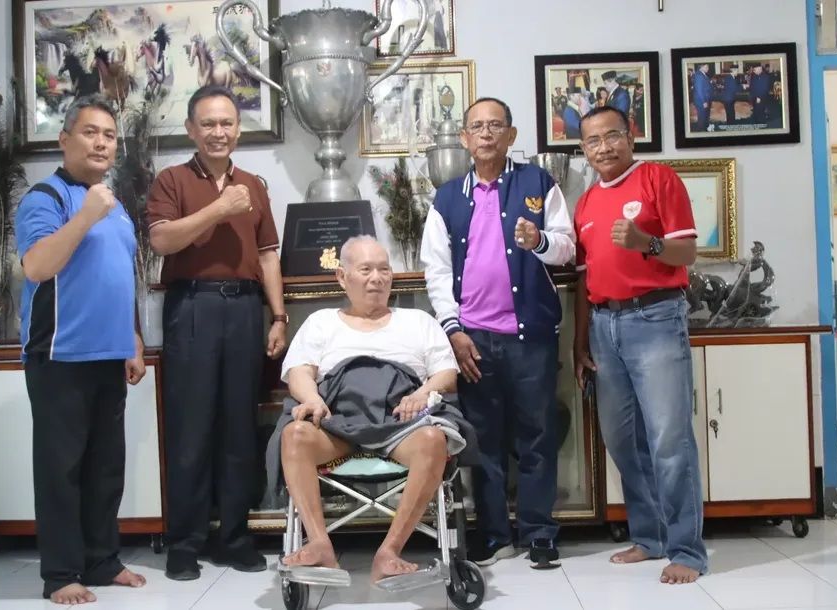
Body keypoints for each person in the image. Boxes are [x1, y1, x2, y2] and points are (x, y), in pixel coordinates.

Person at [420, 97, 576, 569]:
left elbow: (567, 247)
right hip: (473, 341)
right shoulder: (447, 197)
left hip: (531, 337)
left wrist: (539, 241)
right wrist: (453, 330)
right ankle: (493, 536)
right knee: (483, 441)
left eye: (495, 126)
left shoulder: (538, 183)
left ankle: (538, 532)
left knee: (537, 435)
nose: (486, 134)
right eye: (477, 127)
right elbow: (436, 270)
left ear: (511, 135)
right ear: (464, 138)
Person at [271, 236, 478, 583]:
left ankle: (389, 552)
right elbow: (299, 373)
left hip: (401, 425)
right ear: (342, 277)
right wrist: (313, 399)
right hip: (337, 425)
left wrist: (422, 393)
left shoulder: (418, 321)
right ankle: (319, 545)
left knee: (433, 439)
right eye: (365, 269)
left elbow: (446, 375)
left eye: (384, 270)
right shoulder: (321, 322)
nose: (377, 278)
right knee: (294, 435)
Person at [145, 85, 288, 580]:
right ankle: (185, 543)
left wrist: (278, 316)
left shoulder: (254, 185)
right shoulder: (172, 180)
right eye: (208, 123)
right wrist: (219, 209)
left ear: (238, 129)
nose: (218, 132)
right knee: (191, 427)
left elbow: (268, 255)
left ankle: (233, 537)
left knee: (238, 426)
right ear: (191, 129)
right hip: (193, 307)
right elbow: (162, 240)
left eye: (226, 123)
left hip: (245, 308)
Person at [14, 95, 147, 604]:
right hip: (59, 355)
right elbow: (37, 266)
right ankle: (61, 573)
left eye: (109, 135)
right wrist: (86, 215)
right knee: (61, 470)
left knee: (105, 469)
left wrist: (132, 338)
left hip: (108, 355)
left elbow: (120, 277)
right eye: (90, 132)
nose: (101, 143)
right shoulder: (45, 198)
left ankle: (102, 561)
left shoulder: (115, 206)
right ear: (64, 139)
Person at [571, 106, 708, 584]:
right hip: (604, 327)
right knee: (622, 440)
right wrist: (580, 341)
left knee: (669, 439)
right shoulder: (586, 203)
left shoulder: (658, 180)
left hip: (656, 318)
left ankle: (687, 550)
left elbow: (688, 251)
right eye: (593, 141)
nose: (604, 147)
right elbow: (585, 278)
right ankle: (649, 538)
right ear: (584, 149)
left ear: (631, 136)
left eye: (612, 136)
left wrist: (646, 243)